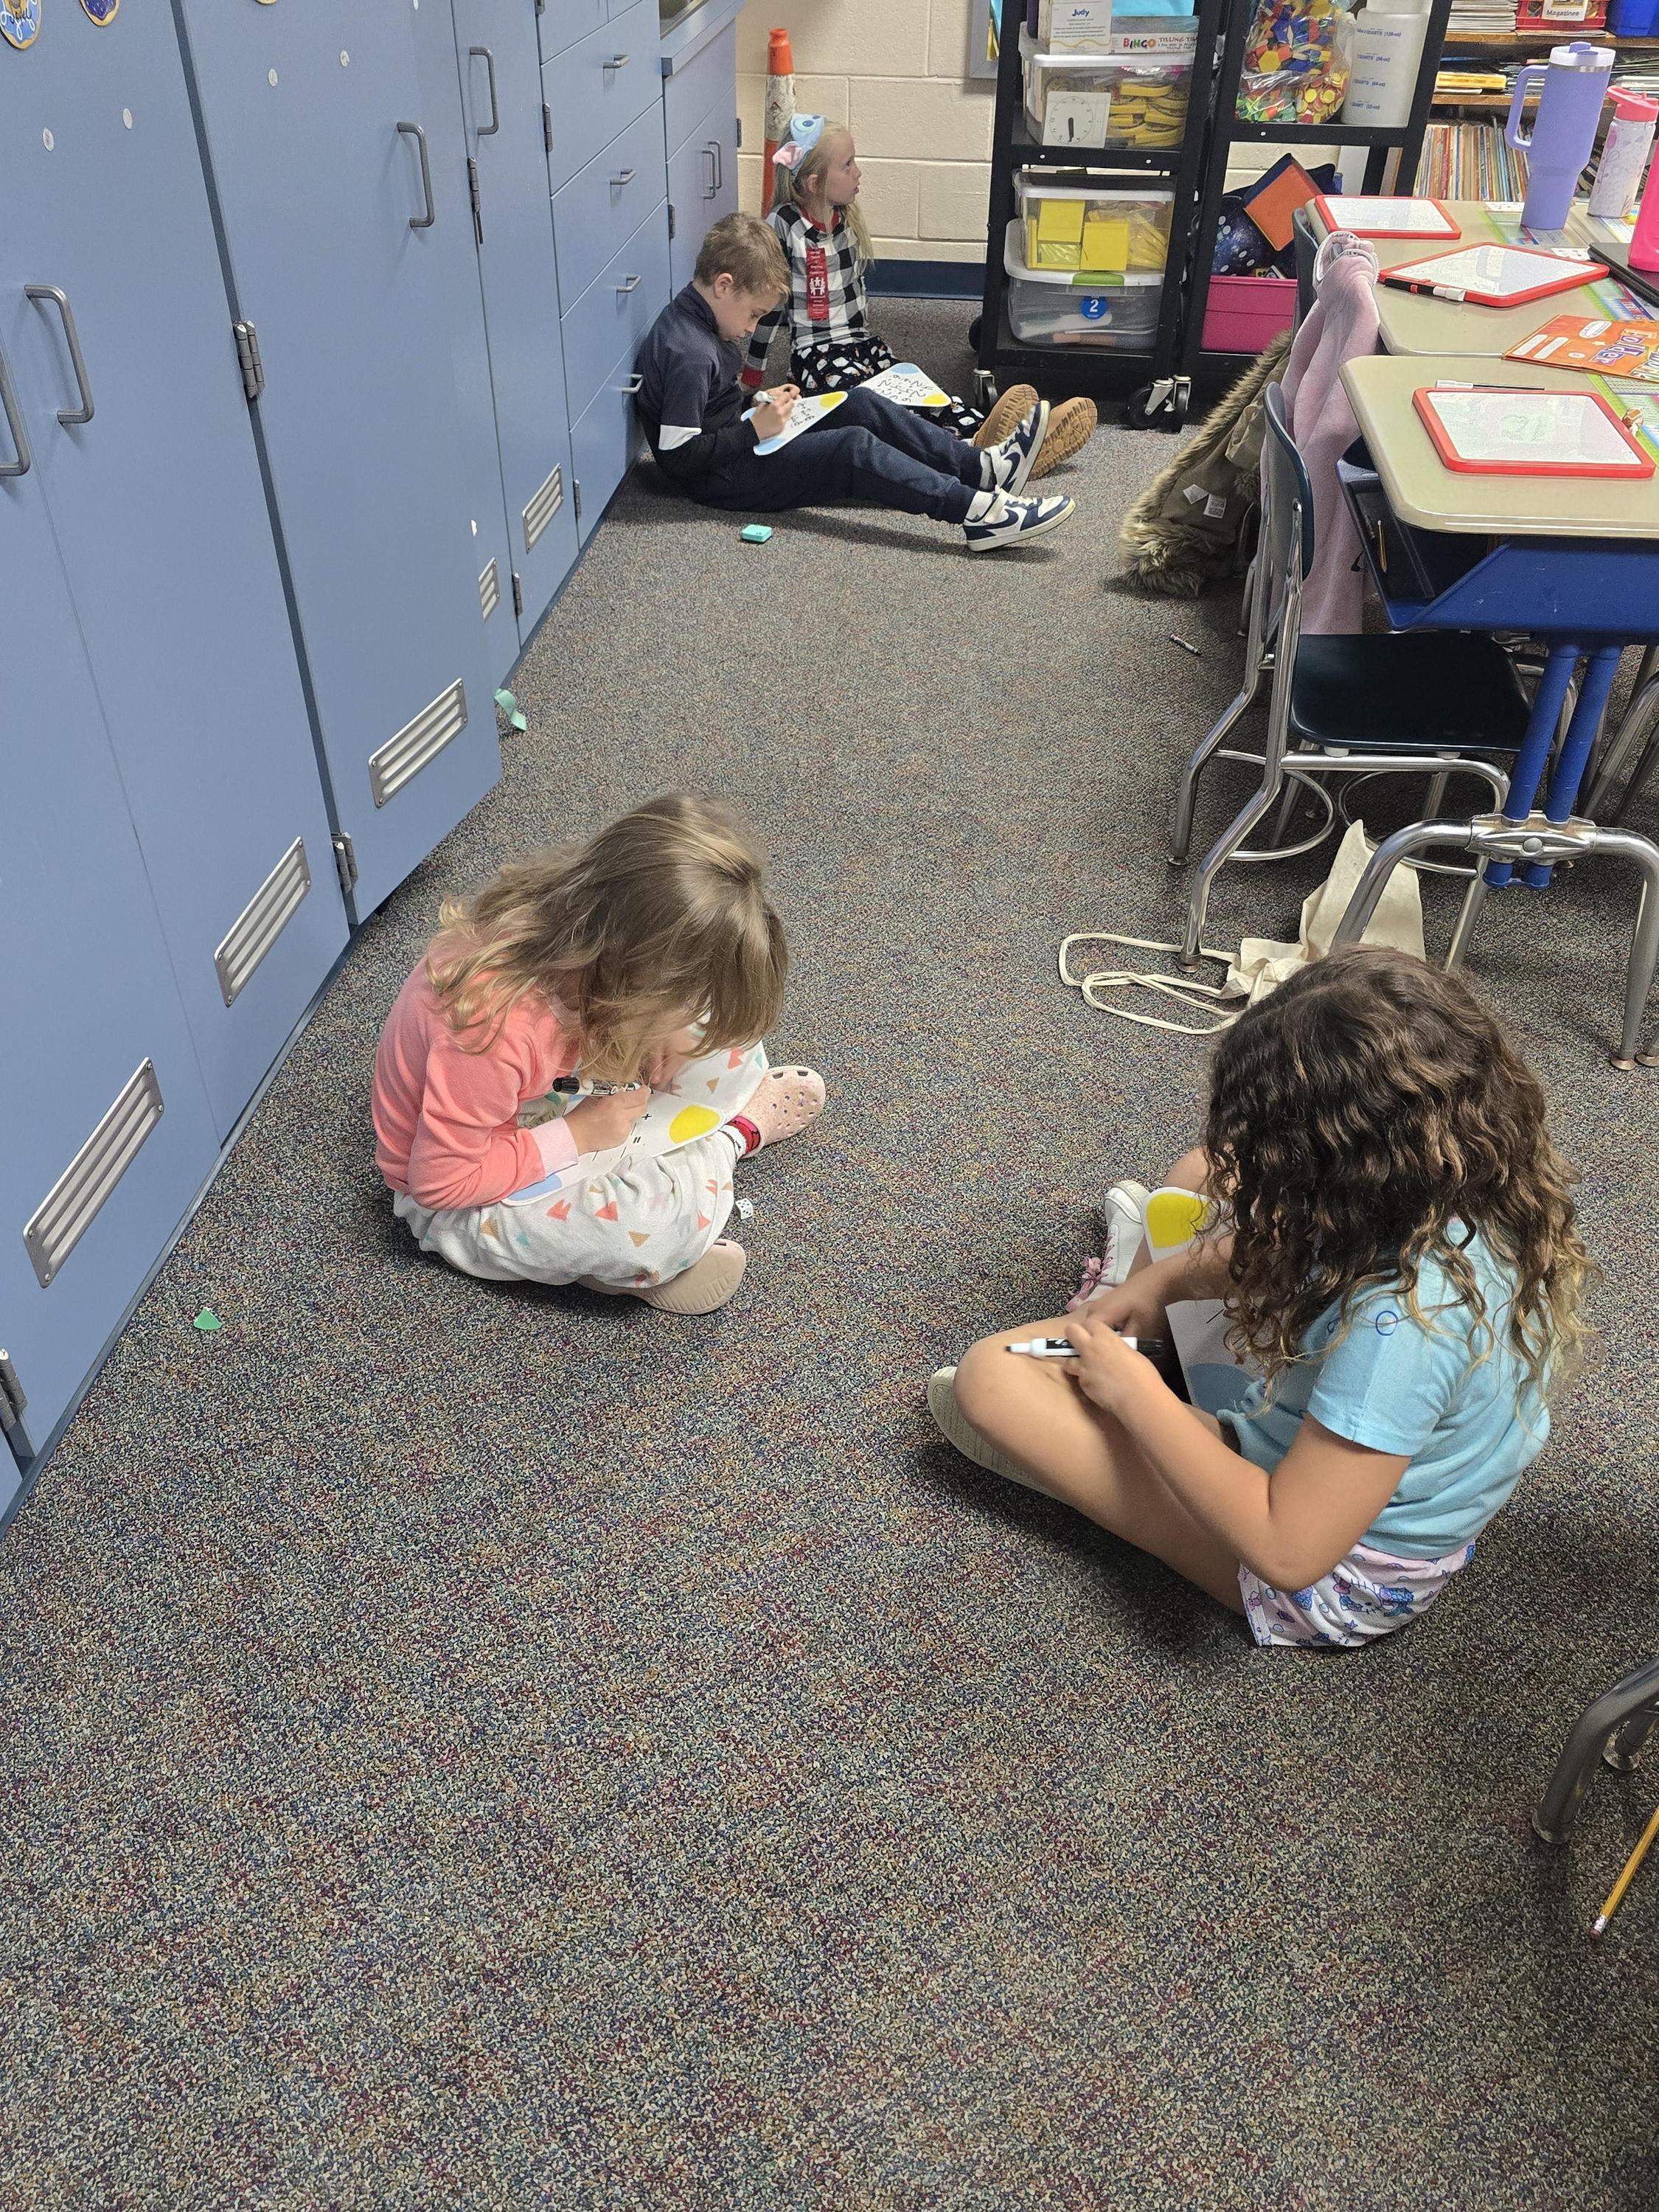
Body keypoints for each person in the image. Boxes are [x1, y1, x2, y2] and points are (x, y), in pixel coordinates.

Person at [928, 949, 1590, 1646]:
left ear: (1344, 1179)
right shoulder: (1469, 1188)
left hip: (1325, 1576)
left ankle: (1092, 1439)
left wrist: (1136, 1396)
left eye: (1284, 1174)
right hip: (1330, 1447)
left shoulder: (1401, 1329)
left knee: (993, 1377)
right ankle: (1139, 1338)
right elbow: (1307, 1247)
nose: (1264, 1188)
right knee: (1200, 1174)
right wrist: (1166, 1281)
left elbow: (1289, 1551)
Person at [372, 795, 826, 1317]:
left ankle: (644, 1244)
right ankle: (731, 1141)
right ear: (630, 980)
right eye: (670, 1002)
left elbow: (586, 1038)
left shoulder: (580, 937)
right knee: (647, 1233)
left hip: (549, 1092)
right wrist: (578, 1135)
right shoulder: (489, 1029)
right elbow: (441, 1184)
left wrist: (651, 1040)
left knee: (720, 1037)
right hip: (462, 1196)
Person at [635, 212, 1077, 551]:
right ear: (724, 285)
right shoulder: (690, 354)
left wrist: (758, 401)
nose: (752, 328)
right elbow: (677, 458)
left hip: (740, 437)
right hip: (722, 478)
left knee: (857, 402)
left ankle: (981, 468)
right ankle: (979, 514)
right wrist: (754, 430)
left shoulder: (704, 323)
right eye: (753, 315)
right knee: (851, 449)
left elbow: (714, 405)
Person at [745, 114, 1097, 474]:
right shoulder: (783, 225)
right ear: (814, 182)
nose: (858, 172)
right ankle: (978, 454)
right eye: (848, 165)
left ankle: (1005, 436)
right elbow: (768, 307)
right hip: (816, 356)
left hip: (862, 345)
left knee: (921, 394)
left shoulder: (844, 216)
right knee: (883, 409)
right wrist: (752, 375)